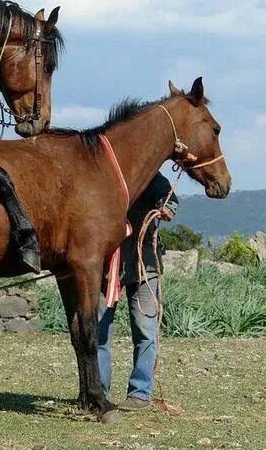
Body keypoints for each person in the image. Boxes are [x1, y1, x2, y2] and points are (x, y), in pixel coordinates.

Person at [97, 172, 179, 411]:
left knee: (145, 330)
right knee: (98, 331)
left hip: (145, 264)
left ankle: (140, 394)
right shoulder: (103, 174)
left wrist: (168, 207)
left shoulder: (150, 174)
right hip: (105, 265)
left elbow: (169, 198)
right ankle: (98, 391)